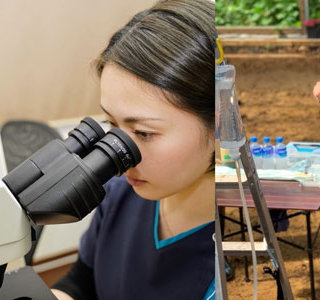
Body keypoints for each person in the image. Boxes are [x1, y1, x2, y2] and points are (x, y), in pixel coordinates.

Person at [51, 1, 216, 299]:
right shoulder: (119, 192)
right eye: (111, 124)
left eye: (143, 133)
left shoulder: (242, 252)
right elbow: (80, 282)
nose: (118, 153)